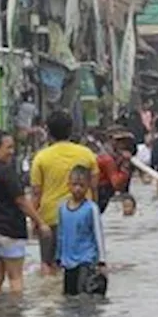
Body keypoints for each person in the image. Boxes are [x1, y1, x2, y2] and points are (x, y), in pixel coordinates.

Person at [0, 130, 51, 294]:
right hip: (10, 231)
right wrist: (40, 222)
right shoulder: (7, 172)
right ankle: (15, 316)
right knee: (15, 279)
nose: (12, 152)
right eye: (8, 148)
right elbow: (21, 201)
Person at [30, 112, 98, 275]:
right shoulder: (86, 154)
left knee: (48, 264)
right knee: (82, 260)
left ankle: (50, 293)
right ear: (71, 129)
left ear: (48, 131)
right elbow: (94, 188)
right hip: (81, 216)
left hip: (50, 217)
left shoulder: (41, 158)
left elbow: (36, 194)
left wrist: (34, 221)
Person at [55, 166, 108, 297]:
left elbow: (98, 234)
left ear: (88, 186)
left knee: (83, 296)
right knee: (69, 296)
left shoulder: (91, 208)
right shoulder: (62, 208)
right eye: (74, 185)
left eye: (82, 185)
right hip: (68, 262)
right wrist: (58, 256)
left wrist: (102, 261)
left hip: (86, 260)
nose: (77, 189)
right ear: (68, 185)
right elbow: (61, 233)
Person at [94, 132, 132, 213]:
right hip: (100, 192)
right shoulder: (107, 159)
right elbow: (116, 184)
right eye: (119, 141)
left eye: (125, 142)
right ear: (110, 141)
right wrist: (125, 165)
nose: (123, 145)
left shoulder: (113, 156)